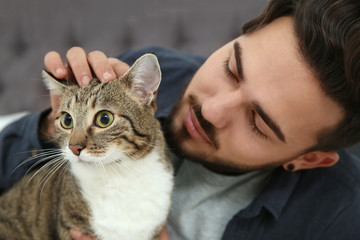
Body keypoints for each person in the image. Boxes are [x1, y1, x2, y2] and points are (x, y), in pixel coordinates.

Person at [1, 0, 360, 239]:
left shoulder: (339, 219)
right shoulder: (158, 69)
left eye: (258, 123)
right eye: (232, 69)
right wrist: (56, 122)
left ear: (308, 158)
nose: (210, 110)